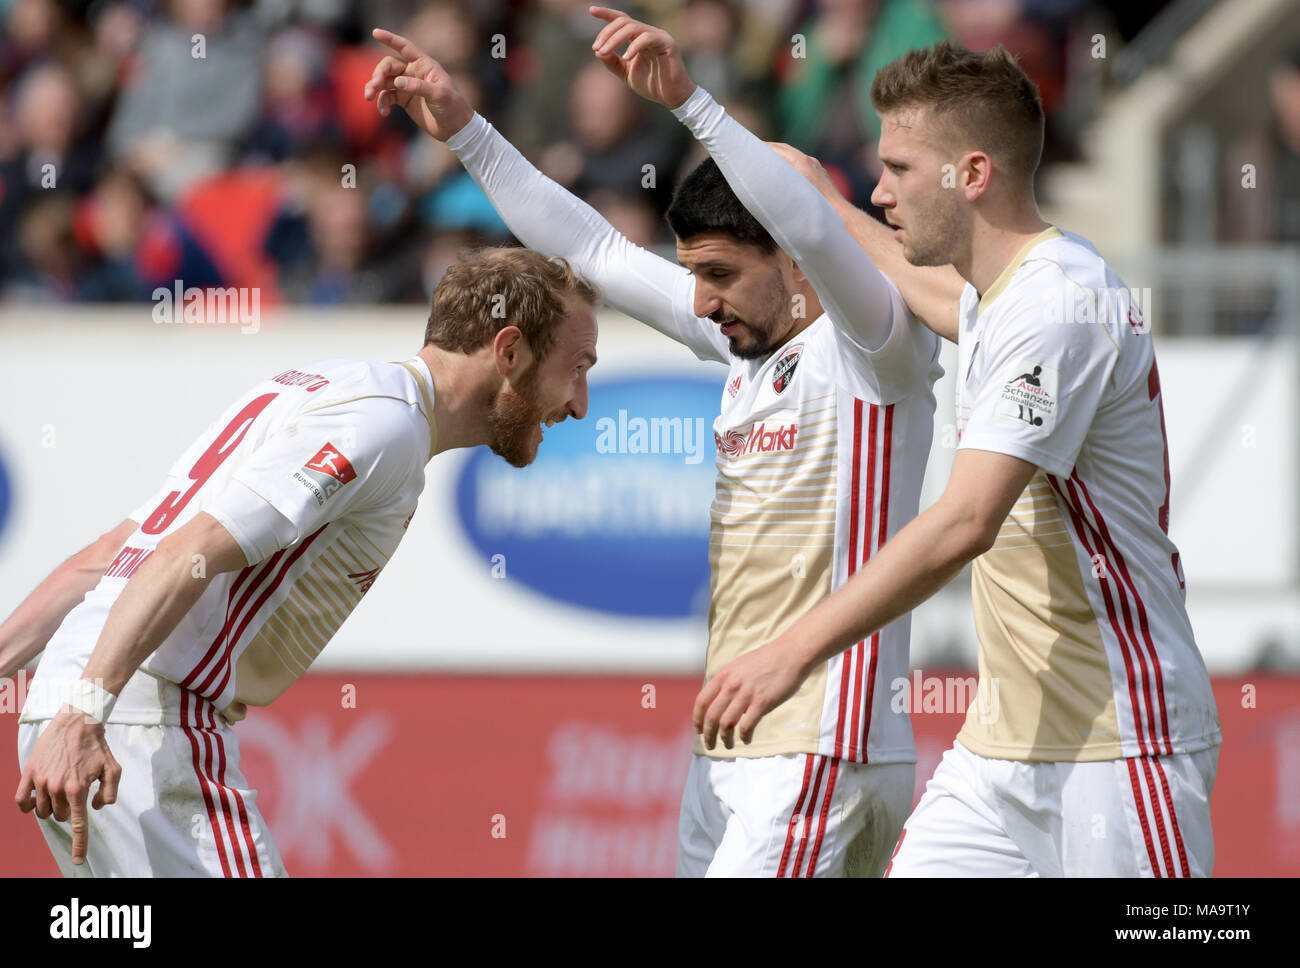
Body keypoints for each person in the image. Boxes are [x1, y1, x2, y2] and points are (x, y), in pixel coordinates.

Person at [362, 8, 956, 876]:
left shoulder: (876, 348)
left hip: (823, 741)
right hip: (735, 745)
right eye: (695, 273)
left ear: (792, 263)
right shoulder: (748, 341)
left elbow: (824, 228)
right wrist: (467, 131)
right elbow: (597, 247)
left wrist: (690, 102)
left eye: (720, 275)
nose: (702, 300)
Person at [694, 40, 1222, 877]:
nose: (881, 188)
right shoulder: (1000, 295)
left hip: (1120, 743)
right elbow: (944, 300)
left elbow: (967, 520)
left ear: (971, 175)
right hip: (1000, 750)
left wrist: (794, 648)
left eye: (900, 167)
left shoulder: (1058, 305)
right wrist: (824, 206)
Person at [4, 246, 598, 876]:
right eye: (577, 367)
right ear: (509, 351)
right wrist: (86, 712)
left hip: (77, 705)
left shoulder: (320, 386)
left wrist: (68, 706)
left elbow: (107, 558)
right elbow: (190, 550)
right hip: (135, 716)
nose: (580, 403)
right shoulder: (384, 430)